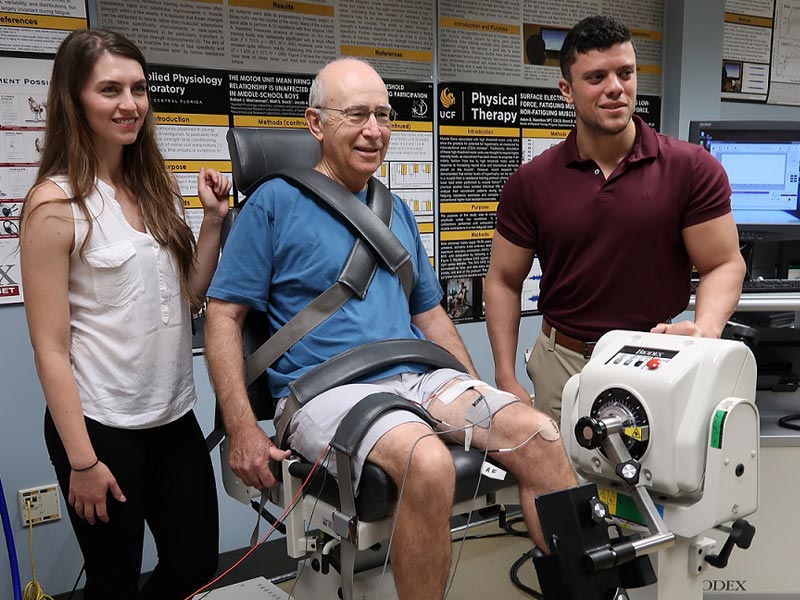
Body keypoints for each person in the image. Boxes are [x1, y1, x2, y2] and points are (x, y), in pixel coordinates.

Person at [205, 58, 577, 599]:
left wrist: (483, 393)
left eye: (383, 114)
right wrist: (242, 428)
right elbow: (224, 316)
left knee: (539, 435)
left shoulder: (394, 210)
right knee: (426, 460)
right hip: (325, 390)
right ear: (315, 124)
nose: (374, 129)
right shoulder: (273, 203)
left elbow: (432, 318)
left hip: (417, 379)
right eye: (356, 114)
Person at [20, 29, 231, 599]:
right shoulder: (54, 203)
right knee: (112, 582)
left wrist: (212, 223)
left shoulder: (154, 187)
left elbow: (188, 293)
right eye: (109, 89)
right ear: (75, 99)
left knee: (194, 562)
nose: (129, 104)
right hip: (98, 428)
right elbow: (49, 348)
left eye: (138, 89)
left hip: (171, 415)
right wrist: (82, 462)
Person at [485, 15, 746, 424]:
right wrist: (504, 373)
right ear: (566, 90)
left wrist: (706, 328)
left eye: (626, 73)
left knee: (650, 485)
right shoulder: (531, 182)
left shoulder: (691, 168)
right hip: (562, 362)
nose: (615, 88)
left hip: (654, 358)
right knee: (554, 483)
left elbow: (724, 263)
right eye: (597, 77)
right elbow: (502, 279)